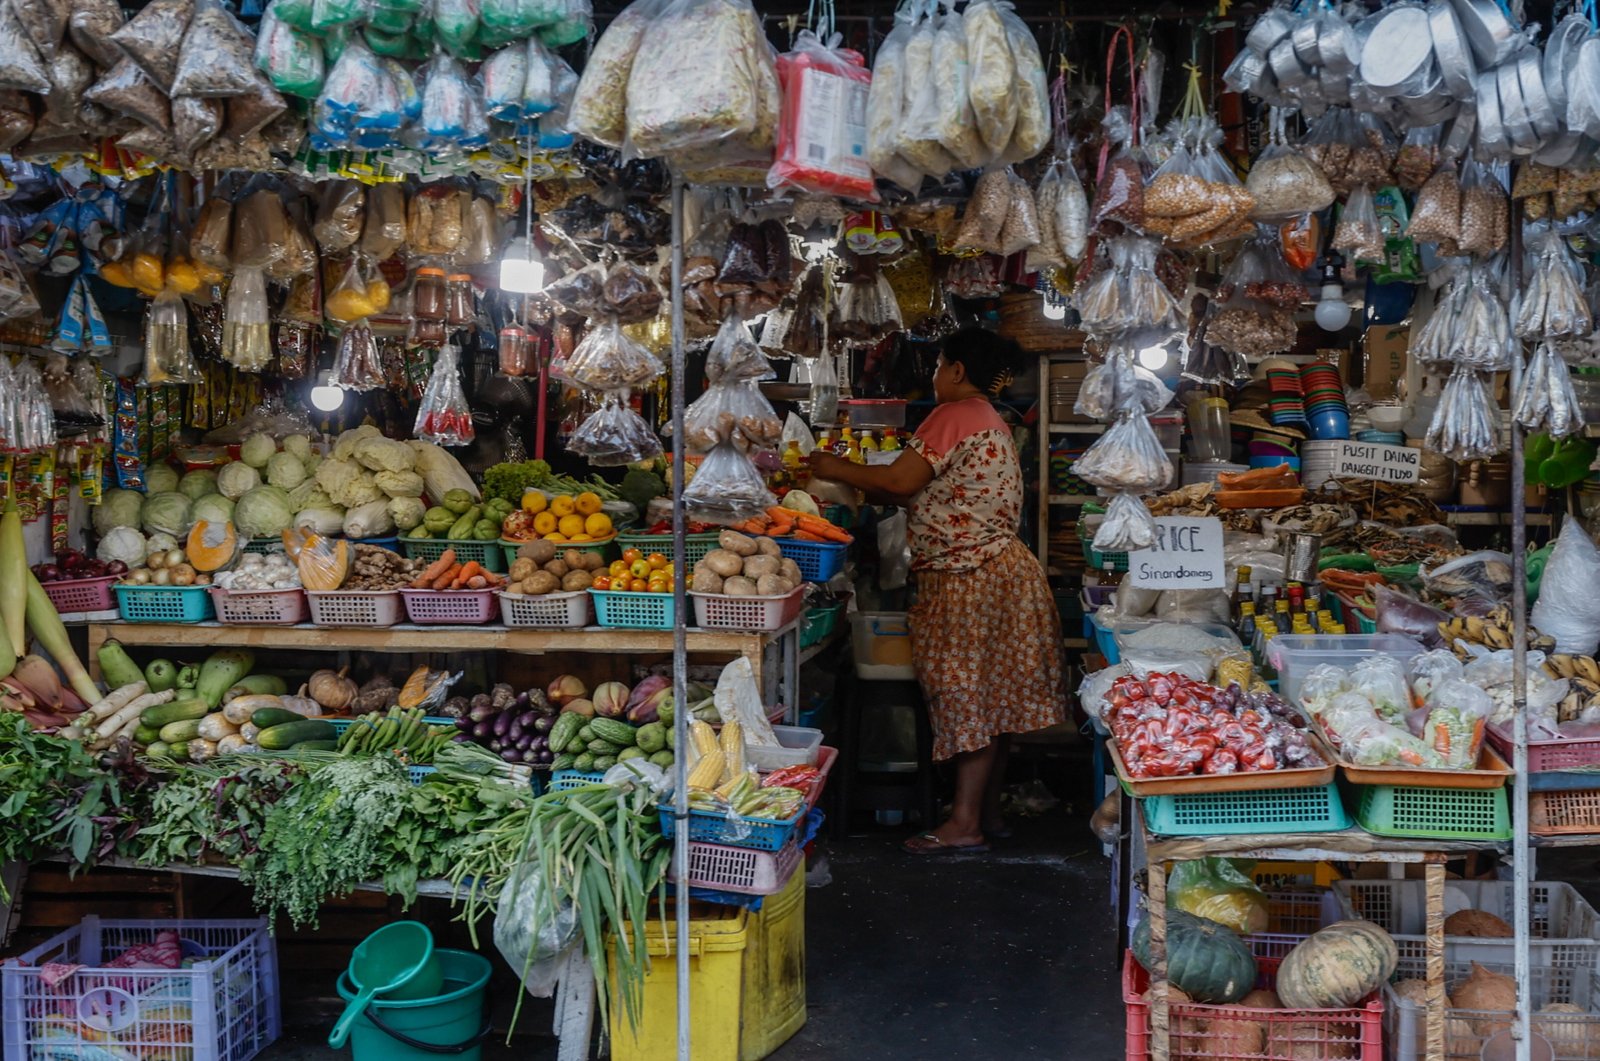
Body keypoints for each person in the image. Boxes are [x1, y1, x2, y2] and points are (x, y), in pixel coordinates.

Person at [806, 327, 1068, 854]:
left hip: (968, 577)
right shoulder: (989, 420)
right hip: (1002, 574)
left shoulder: (954, 414)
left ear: (956, 370)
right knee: (996, 702)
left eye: (938, 365)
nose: (933, 375)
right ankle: (985, 814)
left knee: (967, 697)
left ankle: (964, 824)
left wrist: (830, 466)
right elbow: (934, 493)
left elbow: (901, 483)